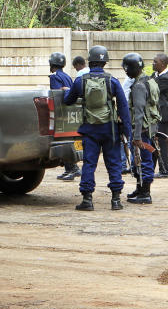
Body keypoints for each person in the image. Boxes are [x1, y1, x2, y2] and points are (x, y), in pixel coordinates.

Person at [62, 45, 132, 211]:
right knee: (114, 163)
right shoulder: (112, 81)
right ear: (104, 63)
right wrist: (128, 132)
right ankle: (116, 200)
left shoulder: (80, 81)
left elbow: (68, 100)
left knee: (89, 164)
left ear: (90, 61)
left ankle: (87, 200)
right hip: (111, 130)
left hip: (89, 129)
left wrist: (65, 91)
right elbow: (123, 107)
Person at [121, 53, 159, 204]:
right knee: (141, 159)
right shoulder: (150, 81)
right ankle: (140, 188)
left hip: (141, 130)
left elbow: (138, 113)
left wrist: (136, 135)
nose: (126, 71)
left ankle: (145, 193)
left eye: (127, 68)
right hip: (149, 127)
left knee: (143, 160)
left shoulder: (138, 86)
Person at [49, 52, 81, 181]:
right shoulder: (67, 76)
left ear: (52, 65)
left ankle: (73, 168)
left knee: (62, 141)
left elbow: (57, 95)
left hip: (60, 113)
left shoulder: (54, 77)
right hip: (70, 112)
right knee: (68, 139)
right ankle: (69, 169)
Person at [152, 53, 168, 178]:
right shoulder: (156, 75)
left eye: (155, 62)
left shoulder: (165, 78)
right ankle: (154, 169)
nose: (153, 64)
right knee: (155, 142)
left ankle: (165, 170)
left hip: (162, 115)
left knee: (161, 143)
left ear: (163, 64)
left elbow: (151, 89)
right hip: (156, 114)